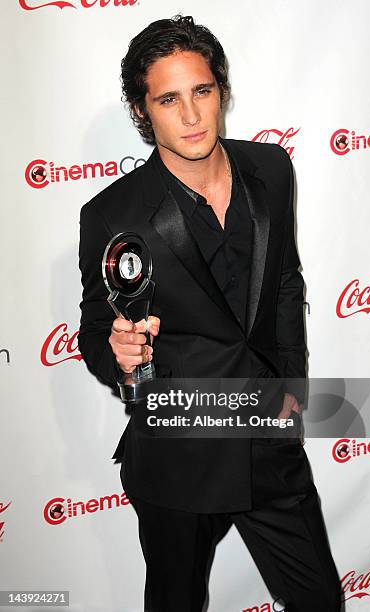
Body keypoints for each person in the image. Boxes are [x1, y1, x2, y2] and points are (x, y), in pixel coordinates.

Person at [78, 14, 342, 612]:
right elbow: (98, 330)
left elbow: (284, 282)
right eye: (169, 99)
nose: (192, 116)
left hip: (269, 439)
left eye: (202, 91)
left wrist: (292, 384)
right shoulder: (111, 214)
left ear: (221, 89)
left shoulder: (271, 169)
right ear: (142, 112)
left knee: (321, 600)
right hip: (179, 454)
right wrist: (115, 354)